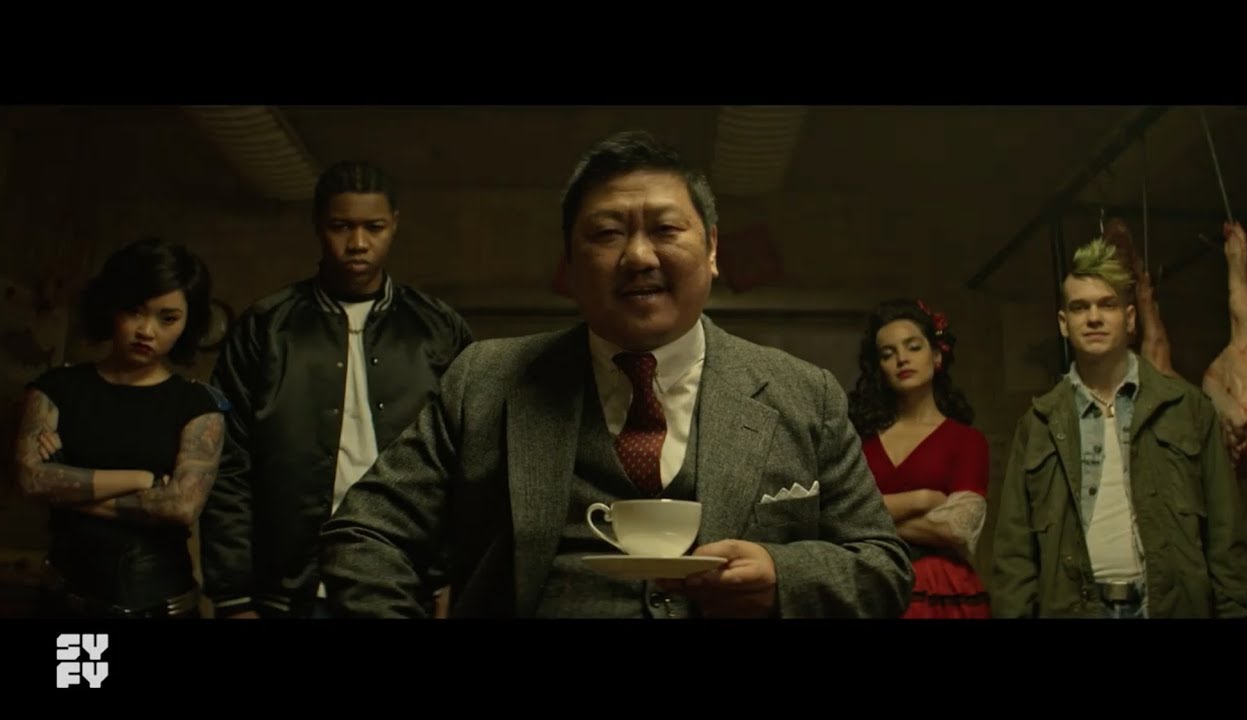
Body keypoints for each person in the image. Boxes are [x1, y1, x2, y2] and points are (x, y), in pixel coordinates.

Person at [317, 130, 914, 618]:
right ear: (570, 262)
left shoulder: (805, 393)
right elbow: (365, 533)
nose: (638, 256)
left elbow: (883, 568)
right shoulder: (485, 381)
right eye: (606, 233)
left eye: (665, 229)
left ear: (711, 249)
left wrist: (784, 576)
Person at [200, 160, 474, 619]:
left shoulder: (437, 328)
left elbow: (466, 462)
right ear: (317, 225)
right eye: (341, 226)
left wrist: (451, 572)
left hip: (405, 582)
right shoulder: (266, 327)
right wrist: (232, 595)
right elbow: (229, 464)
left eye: (374, 227)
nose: (358, 243)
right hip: (288, 590)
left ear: (395, 225)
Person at [991, 237, 1247, 618]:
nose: (1094, 318)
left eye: (1108, 305)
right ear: (1064, 324)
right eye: (1080, 307)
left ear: (1131, 318)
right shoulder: (1039, 423)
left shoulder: (1186, 408)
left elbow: (1228, 535)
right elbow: (1014, 554)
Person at [14, 237, 227, 618]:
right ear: (111, 306)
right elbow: (31, 479)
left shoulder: (198, 405)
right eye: (134, 310)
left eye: (167, 318)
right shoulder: (56, 389)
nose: (147, 330)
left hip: (161, 608)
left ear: (187, 323)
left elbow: (181, 506)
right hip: (66, 606)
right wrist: (142, 479)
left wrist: (68, 491)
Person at [849, 298, 991, 618]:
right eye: (888, 353)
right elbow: (838, 514)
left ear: (937, 356)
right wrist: (923, 499)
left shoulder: (967, 441)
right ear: (880, 369)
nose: (902, 358)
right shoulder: (859, 442)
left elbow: (958, 528)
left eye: (913, 347)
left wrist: (870, 520)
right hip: (869, 581)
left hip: (943, 592)